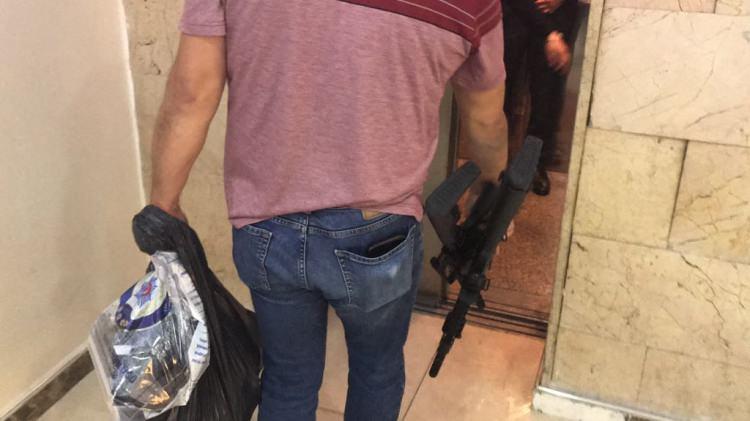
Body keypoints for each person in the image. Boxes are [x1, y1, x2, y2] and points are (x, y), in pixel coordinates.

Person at [148, 1, 508, 420]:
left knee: (287, 378)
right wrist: (493, 195)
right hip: (379, 231)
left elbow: (192, 94)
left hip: (266, 227)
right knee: (376, 371)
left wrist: (164, 203)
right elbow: (485, 122)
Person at [503, 0, 579, 195]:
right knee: (501, 89)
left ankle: (534, 163)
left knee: (547, 96)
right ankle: (496, 162)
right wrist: (548, 32)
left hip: (559, 13)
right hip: (514, 10)